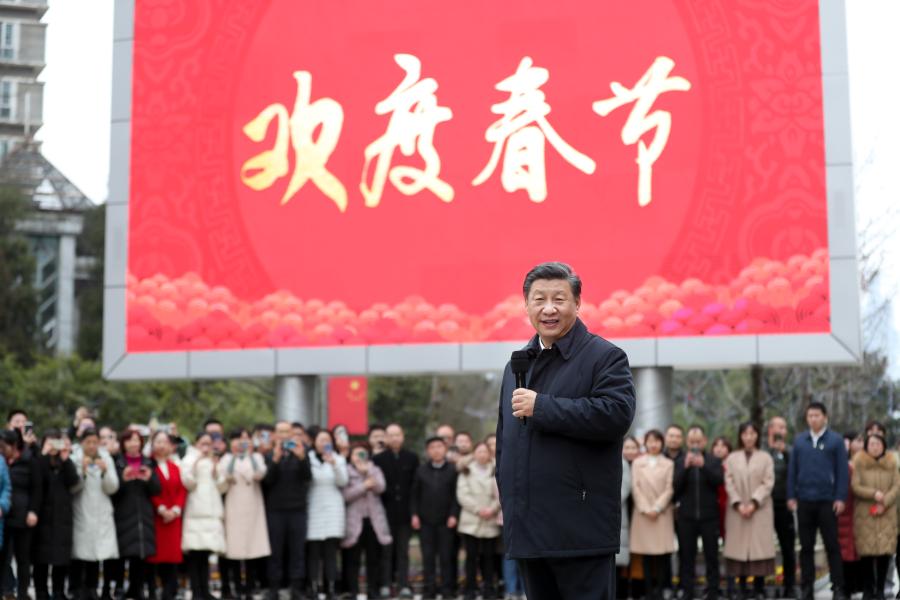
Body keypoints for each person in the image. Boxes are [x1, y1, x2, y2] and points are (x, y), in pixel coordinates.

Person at [496, 263, 636, 599]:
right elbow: (505, 444)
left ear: (577, 303)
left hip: (580, 533)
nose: (549, 308)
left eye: (559, 299)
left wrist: (542, 407)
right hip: (530, 531)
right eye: (539, 299)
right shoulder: (517, 365)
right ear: (526, 306)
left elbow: (616, 414)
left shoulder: (605, 357)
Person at [787, 402, 849, 600]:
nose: (813, 418)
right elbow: (792, 471)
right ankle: (807, 588)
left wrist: (840, 497)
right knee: (806, 547)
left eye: (816, 415)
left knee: (832, 545)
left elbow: (842, 472)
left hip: (827, 501)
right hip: (805, 500)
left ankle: (838, 587)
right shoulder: (799, 441)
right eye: (810, 416)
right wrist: (791, 495)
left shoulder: (835, 441)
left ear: (825, 417)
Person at [723, 422, 776, 600]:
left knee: (758, 549)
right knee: (739, 549)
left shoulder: (765, 457)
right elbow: (728, 481)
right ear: (740, 436)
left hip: (759, 510)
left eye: (752, 433)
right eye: (745, 434)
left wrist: (754, 502)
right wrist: (738, 503)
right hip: (737, 510)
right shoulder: (732, 458)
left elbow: (768, 482)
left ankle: (759, 588)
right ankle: (742, 587)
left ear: (757, 436)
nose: (749, 437)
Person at [673, 425, 723, 600]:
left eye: (698, 441)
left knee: (712, 556)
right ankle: (688, 591)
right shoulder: (679, 461)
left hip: (709, 517)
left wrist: (703, 466)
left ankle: (713, 591)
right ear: (687, 442)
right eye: (692, 442)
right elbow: (675, 488)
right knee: (687, 557)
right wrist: (686, 468)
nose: (695, 445)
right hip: (686, 518)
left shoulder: (713, 460)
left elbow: (718, 482)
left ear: (704, 441)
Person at [71, 429, 120, 600]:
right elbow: (72, 487)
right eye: (88, 442)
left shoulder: (106, 459)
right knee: (81, 552)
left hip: (102, 512)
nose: (92, 446)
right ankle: (78, 589)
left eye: (94, 442)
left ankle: (93, 588)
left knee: (98, 553)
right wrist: (82, 471)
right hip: (81, 510)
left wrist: (106, 471)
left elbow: (113, 487)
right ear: (82, 442)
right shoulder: (74, 459)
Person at [221, 428, 269, 600]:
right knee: (234, 550)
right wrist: (235, 456)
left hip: (252, 506)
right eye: (238, 439)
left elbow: (260, 474)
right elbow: (225, 474)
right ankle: (235, 588)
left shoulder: (256, 457)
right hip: (234, 505)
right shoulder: (227, 458)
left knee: (251, 549)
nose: (242, 442)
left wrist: (250, 453)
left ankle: (249, 588)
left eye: (245, 439)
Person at [373, 423, 419, 598]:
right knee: (386, 551)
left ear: (403, 436)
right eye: (390, 435)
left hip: (405, 513)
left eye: (397, 435)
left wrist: (414, 512)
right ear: (385, 437)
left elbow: (415, 488)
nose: (394, 438)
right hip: (384, 512)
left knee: (402, 551)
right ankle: (385, 583)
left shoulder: (412, 458)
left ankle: (403, 585)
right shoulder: (378, 459)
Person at [113, 429, 160, 600]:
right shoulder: (117, 462)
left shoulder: (148, 462)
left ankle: (137, 588)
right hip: (123, 513)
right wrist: (123, 479)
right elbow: (112, 490)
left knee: (140, 555)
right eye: (129, 440)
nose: (133, 443)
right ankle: (118, 588)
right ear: (123, 443)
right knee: (122, 553)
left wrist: (149, 478)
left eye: (137, 440)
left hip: (143, 515)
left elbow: (156, 490)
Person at [852, 434, 900, 600]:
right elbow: (855, 486)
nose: (875, 447)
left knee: (884, 553)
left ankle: (880, 588)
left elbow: (896, 486)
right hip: (865, 513)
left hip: (887, 513)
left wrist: (885, 501)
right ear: (866, 446)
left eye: (878, 444)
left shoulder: (892, 462)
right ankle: (868, 588)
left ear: (884, 445)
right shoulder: (859, 462)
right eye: (871, 444)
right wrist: (874, 494)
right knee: (867, 552)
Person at [262, 422, 307, 600]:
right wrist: (275, 459)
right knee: (275, 551)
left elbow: (307, 477)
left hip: (297, 510)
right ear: (274, 435)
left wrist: (302, 457)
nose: (284, 435)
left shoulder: (301, 453)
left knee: (297, 551)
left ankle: (296, 587)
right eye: (280, 432)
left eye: (287, 432)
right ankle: (274, 587)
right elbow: (267, 481)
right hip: (275, 510)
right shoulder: (269, 455)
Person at [33, 430, 79, 600]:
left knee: (61, 558)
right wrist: (44, 456)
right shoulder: (39, 461)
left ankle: (59, 591)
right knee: (41, 558)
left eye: (56, 442)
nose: (54, 447)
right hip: (43, 516)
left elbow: (73, 481)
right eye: (50, 442)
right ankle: (41, 591)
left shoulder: (66, 462)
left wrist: (66, 459)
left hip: (62, 517)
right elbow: (37, 480)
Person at [411, 437, 459, 599]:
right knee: (428, 558)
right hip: (425, 522)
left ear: (445, 449)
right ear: (428, 451)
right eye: (432, 447)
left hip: (446, 522)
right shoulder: (421, 470)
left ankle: (447, 590)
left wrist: (453, 515)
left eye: (439, 446)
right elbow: (414, 495)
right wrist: (414, 515)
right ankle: (429, 590)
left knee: (446, 557)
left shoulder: (452, 470)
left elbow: (455, 496)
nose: (436, 450)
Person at [181, 432, 228, 600]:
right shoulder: (188, 459)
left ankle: (205, 590)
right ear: (196, 443)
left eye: (209, 444)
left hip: (211, 513)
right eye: (203, 443)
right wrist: (196, 462)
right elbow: (188, 483)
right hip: (195, 514)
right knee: (195, 556)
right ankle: (196, 591)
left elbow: (223, 487)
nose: (206, 447)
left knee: (207, 555)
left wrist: (215, 469)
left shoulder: (215, 460)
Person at [342, 444, 391, 600]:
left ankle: (373, 591)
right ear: (350, 456)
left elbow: (381, 488)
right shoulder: (345, 471)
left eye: (362, 454)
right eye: (356, 454)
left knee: (373, 559)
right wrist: (363, 486)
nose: (359, 457)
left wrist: (367, 472)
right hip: (354, 521)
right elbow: (346, 495)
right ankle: (353, 591)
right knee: (353, 559)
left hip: (373, 521)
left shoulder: (374, 470)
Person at [630, 430, 674, 600]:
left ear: (662, 444)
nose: (653, 444)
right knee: (646, 556)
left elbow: (669, 488)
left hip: (661, 514)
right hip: (643, 514)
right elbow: (636, 487)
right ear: (645, 443)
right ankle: (648, 592)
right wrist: (645, 508)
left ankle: (660, 591)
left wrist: (656, 508)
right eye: (650, 441)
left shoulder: (668, 463)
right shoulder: (637, 463)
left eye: (657, 441)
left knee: (663, 556)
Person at [307, 429, 349, 600]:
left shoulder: (338, 459)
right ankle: (314, 587)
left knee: (331, 553)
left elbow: (343, 481)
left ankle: (331, 587)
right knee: (314, 552)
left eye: (327, 439)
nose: (324, 443)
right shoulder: (307, 458)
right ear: (314, 442)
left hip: (333, 509)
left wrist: (334, 464)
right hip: (313, 506)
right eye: (320, 439)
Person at [457, 441, 500, 600]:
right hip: (471, 520)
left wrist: (492, 509)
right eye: (479, 451)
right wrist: (478, 509)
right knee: (471, 557)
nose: (482, 454)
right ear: (474, 453)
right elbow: (462, 494)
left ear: (489, 454)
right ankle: (470, 588)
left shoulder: (496, 469)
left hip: (490, 519)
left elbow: (502, 492)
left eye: (485, 451)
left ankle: (488, 588)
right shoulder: (466, 470)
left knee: (488, 557)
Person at [0, 429, 40, 600]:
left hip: (23, 517)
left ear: (14, 445)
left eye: (3, 446)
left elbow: (37, 489)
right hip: (4, 518)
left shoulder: (28, 460)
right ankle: (6, 591)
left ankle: (23, 594)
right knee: (3, 559)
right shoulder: (2, 462)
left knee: (23, 559)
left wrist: (33, 511)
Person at [146, 431, 186, 600]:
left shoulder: (175, 467)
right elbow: (151, 490)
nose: (162, 445)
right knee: (154, 558)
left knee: (172, 558)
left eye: (165, 442)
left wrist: (176, 509)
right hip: (156, 518)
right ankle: (153, 592)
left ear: (171, 446)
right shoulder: (148, 466)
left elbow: (181, 489)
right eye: (158, 441)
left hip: (173, 519)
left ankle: (170, 592)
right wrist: (161, 508)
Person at [766, 416, 796, 598]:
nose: (781, 431)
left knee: (788, 548)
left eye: (784, 428)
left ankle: (790, 586)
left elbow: (798, 471)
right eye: (778, 427)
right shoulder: (761, 451)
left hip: (785, 505)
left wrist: (786, 453)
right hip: (763, 507)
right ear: (770, 430)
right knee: (761, 547)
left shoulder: (792, 451)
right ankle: (760, 585)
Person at [839, 434, 863, 598]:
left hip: (862, 511)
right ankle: (844, 586)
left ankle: (860, 585)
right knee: (845, 551)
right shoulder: (841, 464)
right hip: (843, 511)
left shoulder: (865, 462)